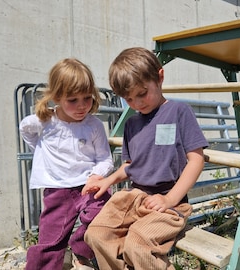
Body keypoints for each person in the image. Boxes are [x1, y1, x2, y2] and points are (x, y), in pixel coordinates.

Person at [82, 47, 209, 270]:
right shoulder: (131, 124)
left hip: (169, 201)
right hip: (133, 197)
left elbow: (197, 160)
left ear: (159, 77)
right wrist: (107, 181)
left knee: (137, 244)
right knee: (96, 234)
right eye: (128, 99)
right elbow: (130, 165)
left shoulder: (179, 112)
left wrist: (170, 199)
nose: (137, 103)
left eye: (142, 93)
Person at [20, 58, 114, 270]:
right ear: (56, 97)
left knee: (106, 215)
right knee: (50, 240)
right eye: (73, 100)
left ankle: (80, 250)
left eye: (87, 98)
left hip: (88, 185)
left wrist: (96, 175)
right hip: (57, 190)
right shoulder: (43, 121)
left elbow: (105, 159)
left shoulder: (94, 125)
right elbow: (25, 130)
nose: (82, 106)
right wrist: (42, 153)